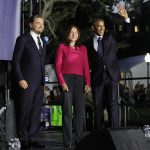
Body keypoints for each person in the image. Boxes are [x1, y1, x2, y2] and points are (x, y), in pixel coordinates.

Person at [85, 5, 131, 129]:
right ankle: (100, 134)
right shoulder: (88, 43)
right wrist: (87, 80)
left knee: (113, 105)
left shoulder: (110, 37)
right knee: (98, 106)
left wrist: (126, 18)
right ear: (93, 28)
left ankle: (114, 131)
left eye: (103, 26)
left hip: (111, 76)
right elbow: (86, 62)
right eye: (99, 26)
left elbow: (126, 33)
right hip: (97, 77)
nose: (102, 28)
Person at [12, 14, 46, 149]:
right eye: (38, 23)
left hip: (39, 84)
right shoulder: (23, 39)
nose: (41, 25)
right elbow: (16, 61)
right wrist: (20, 78)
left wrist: (43, 82)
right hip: (26, 82)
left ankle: (32, 137)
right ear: (30, 24)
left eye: (42, 23)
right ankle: (23, 139)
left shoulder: (43, 41)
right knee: (24, 111)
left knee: (35, 112)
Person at [55, 25, 91, 148]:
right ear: (67, 34)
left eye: (76, 32)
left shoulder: (83, 49)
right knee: (67, 112)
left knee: (80, 112)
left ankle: (79, 139)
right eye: (71, 32)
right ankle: (67, 141)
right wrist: (62, 82)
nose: (74, 34)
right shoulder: (62, 47)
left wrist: (88, 83)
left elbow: (86, 67)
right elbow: (58, 66)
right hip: (66, 80)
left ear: (78, 35)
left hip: (80, 81)